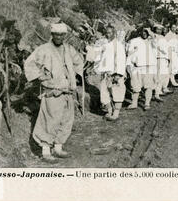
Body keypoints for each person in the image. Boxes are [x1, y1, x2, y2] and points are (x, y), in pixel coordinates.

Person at [24, 22, 84, 163]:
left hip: (67, 91)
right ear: (52, 35)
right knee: (50, 121)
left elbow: (79, 62)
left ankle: (58, 147)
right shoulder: (43, 49)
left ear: (65, 35)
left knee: (66, 120)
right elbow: (29, 64)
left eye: (62, 34)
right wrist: (40, 76)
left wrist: (74, 74)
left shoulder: (69, 49)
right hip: (52, 91)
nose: (59, 37)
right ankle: (45, 152)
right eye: (56, 34)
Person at [86, 25, 126, 121]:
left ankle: (115, 114)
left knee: (117, 94)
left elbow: (121, 60)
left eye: (110, 33)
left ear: (114, 33)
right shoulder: (105, 44)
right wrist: (90, 46)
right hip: (106, 74)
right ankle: (109, 111)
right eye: (106, 33)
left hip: (115, 74)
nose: (107, 35)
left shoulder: (118, 45)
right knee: (104, 95)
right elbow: (95, 56)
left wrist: (118, 74)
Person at [126, 28, 157, 110]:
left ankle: (147, 103)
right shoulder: (134, 41)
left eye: (146, 32)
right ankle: (134, 103)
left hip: (148, 67)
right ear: (140, 32)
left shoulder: (152, 41)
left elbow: (156, 43)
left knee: (148, 86)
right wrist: (128, 65)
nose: (144, 33)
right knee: (135, 87)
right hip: (137, 67)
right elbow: (129, 53)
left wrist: (150, 33)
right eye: (143, 31)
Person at [153, 24, 172, 101]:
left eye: (160, 29)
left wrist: (168, 57)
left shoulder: (162, 37)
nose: (159, 31)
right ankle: (156, 93)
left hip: (164, 58)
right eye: (157, 29)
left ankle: (160, 90)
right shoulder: (154, 37)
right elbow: (156, 47)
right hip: (158, 57)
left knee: (164, 74)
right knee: (159, 76)